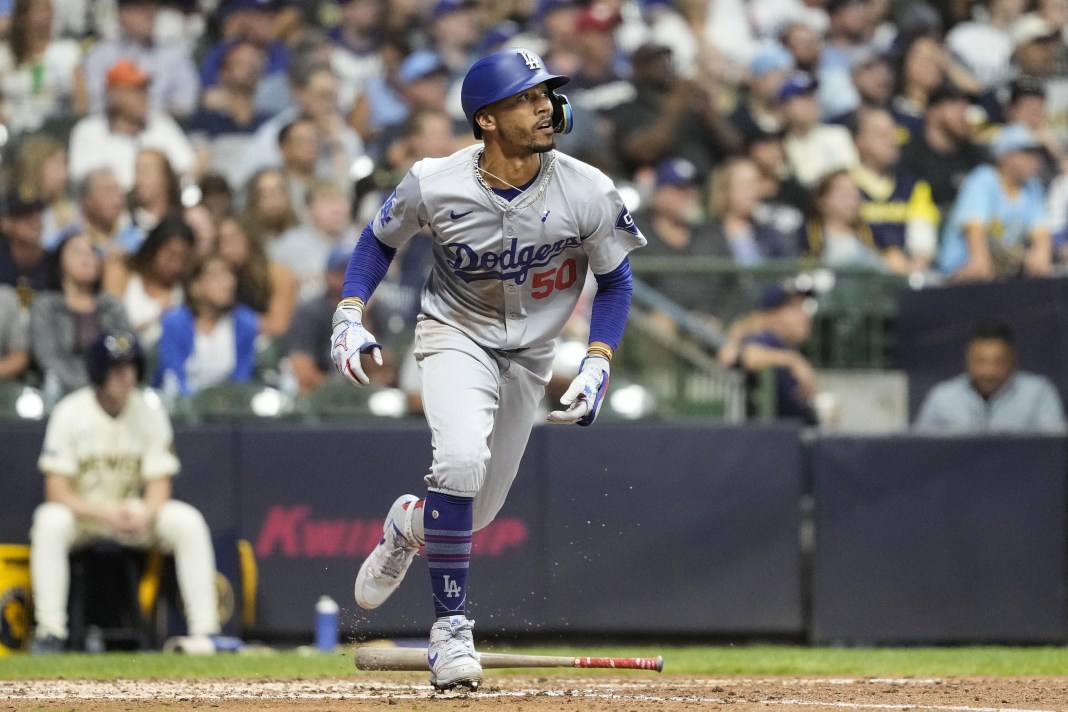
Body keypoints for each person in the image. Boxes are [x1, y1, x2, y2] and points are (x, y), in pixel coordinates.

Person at [333, 48, 645, 690]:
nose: (544, 106)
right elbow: (376, 241)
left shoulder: (587, 188)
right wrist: (348, 310)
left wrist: (598, 359)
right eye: (527, 98)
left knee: (472, 514)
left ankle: (408, 523)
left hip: (532, 352)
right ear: (487, 121)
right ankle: (450, 633)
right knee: (459, 464)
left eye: (544, 94)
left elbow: (617, 281)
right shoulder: (434, 179)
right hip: (455, 335)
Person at [28, 330, 221, 654]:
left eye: (131, 367)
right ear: (98, 371)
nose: (125, 375)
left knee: (187, 521)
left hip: (133, 513)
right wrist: (105, 514)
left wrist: (145, 511)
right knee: (49, 520)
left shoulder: (148, 410)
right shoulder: (71, 411)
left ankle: (206, 633)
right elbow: (56, 489)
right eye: (116, 368)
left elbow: (161, 481)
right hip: (86, 516)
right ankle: (51, 633)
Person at [938, 123, 1052, 280]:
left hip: (1000, 275)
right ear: (1004, 156)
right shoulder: (983, 180)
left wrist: (1041, 254)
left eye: (1035, 154)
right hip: (959, 272)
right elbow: (974, 227)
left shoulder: (1033, 187)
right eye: (1026, 153)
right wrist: (979, 258)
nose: (1034, 160)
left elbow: (1040, 230)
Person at [67, 59, 196, 192]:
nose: (144, 96)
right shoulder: (88, 131)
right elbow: (80, 178)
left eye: (145, 89)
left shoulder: (160, 123)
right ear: (114, 94)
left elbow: (187, 165)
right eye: (136, 90)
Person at [29, 233, 132, 398]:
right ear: (60, 263)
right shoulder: (45, 306)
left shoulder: (112, 306)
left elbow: (127, 351)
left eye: (92, 252)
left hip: (110, 397)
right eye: (78, 252)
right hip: (61, 395)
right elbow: (48, 358)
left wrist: (107, 388)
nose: (87, 258)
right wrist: (88, 390)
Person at [915, 322, 1065, 432]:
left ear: (1012, 360)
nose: (989, 372)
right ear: (967, 360)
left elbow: (1054, 449)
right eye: (980, 361)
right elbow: (922, 450)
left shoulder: (1038, 393)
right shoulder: (942, 397)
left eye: (999, 361)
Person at [154, 252, 259, 397]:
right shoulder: (174, 322)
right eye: (217, 276)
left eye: (230, 274)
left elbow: (242, 378)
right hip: (183, 410)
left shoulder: (245, 322)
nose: (228, 283)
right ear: (194, 286)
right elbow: (174, 377)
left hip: (230, 409)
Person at [735, 280, 819, 425]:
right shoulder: (766, 340)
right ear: (770, 315)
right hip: (770, 442)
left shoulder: (785, 348)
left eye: (805, 307)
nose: (804, 315)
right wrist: (793, 360)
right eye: (793, 308)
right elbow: (749, 355)